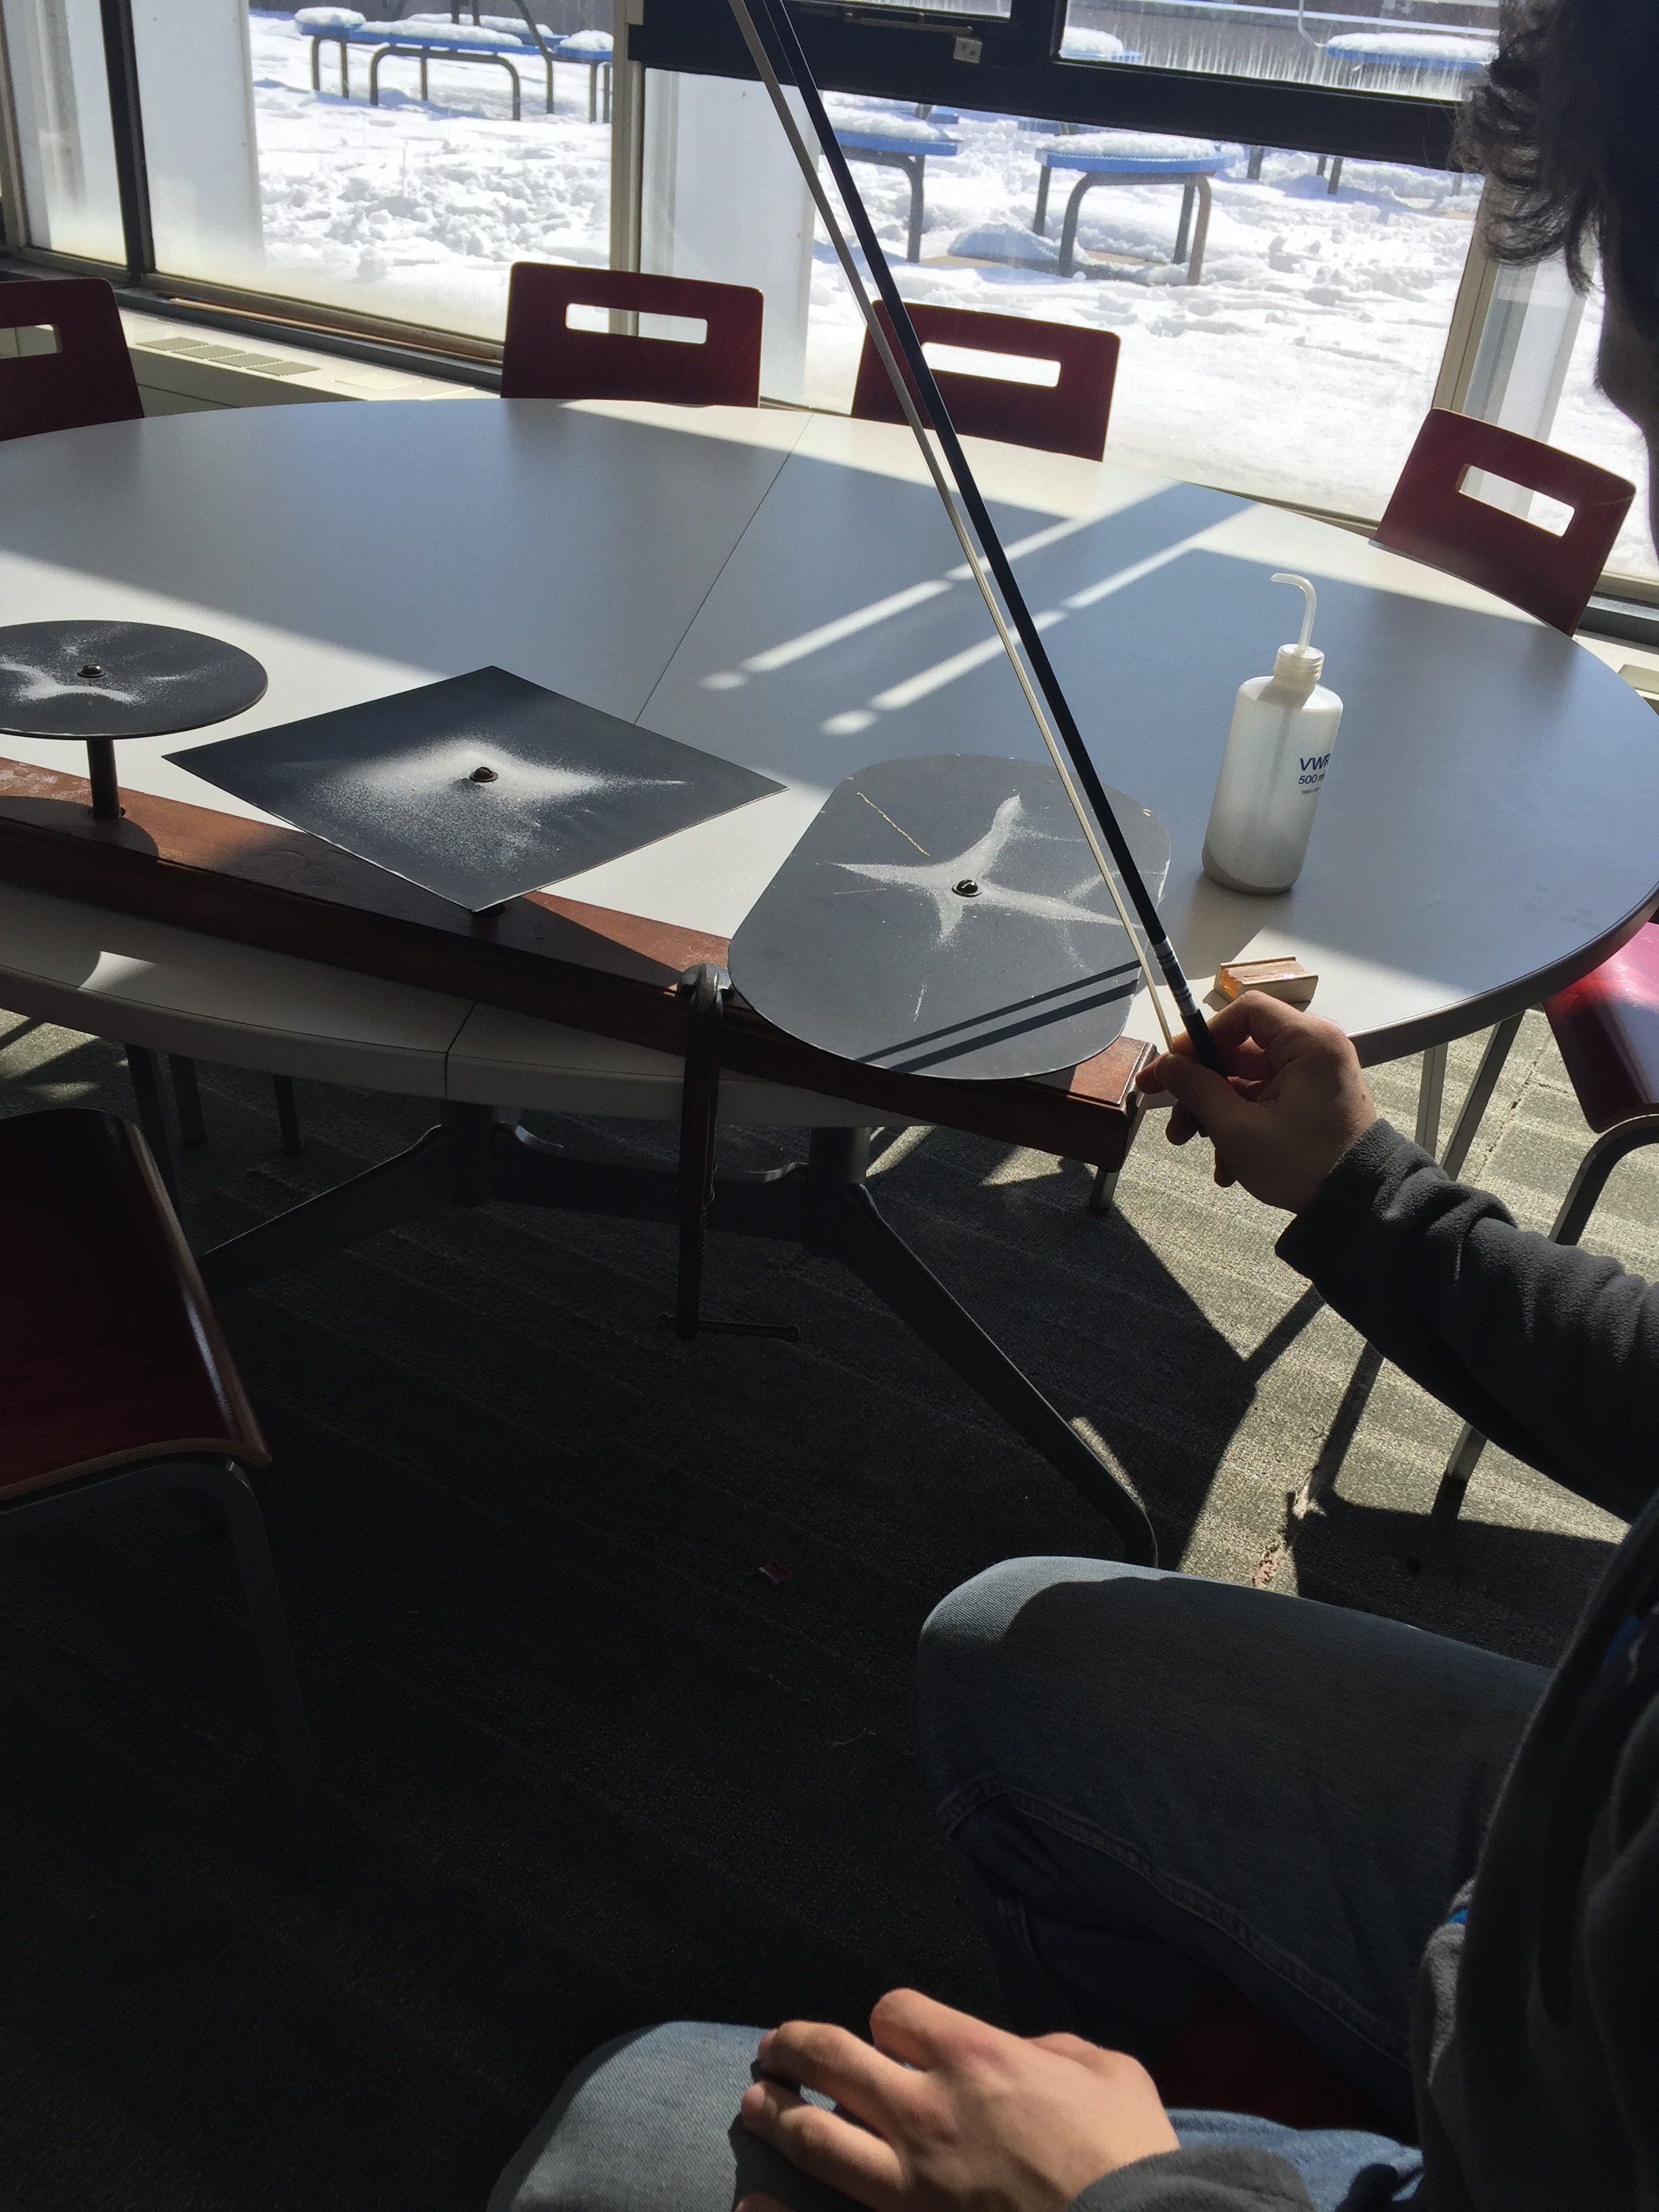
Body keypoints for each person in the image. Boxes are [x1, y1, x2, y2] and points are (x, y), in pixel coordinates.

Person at [487, 1, 1659, 2206]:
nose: (1621, 398)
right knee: (1000, 1640)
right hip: (1576, 1836)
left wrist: (1120, 2195)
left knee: (632, 2130)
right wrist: (1370, 1193)